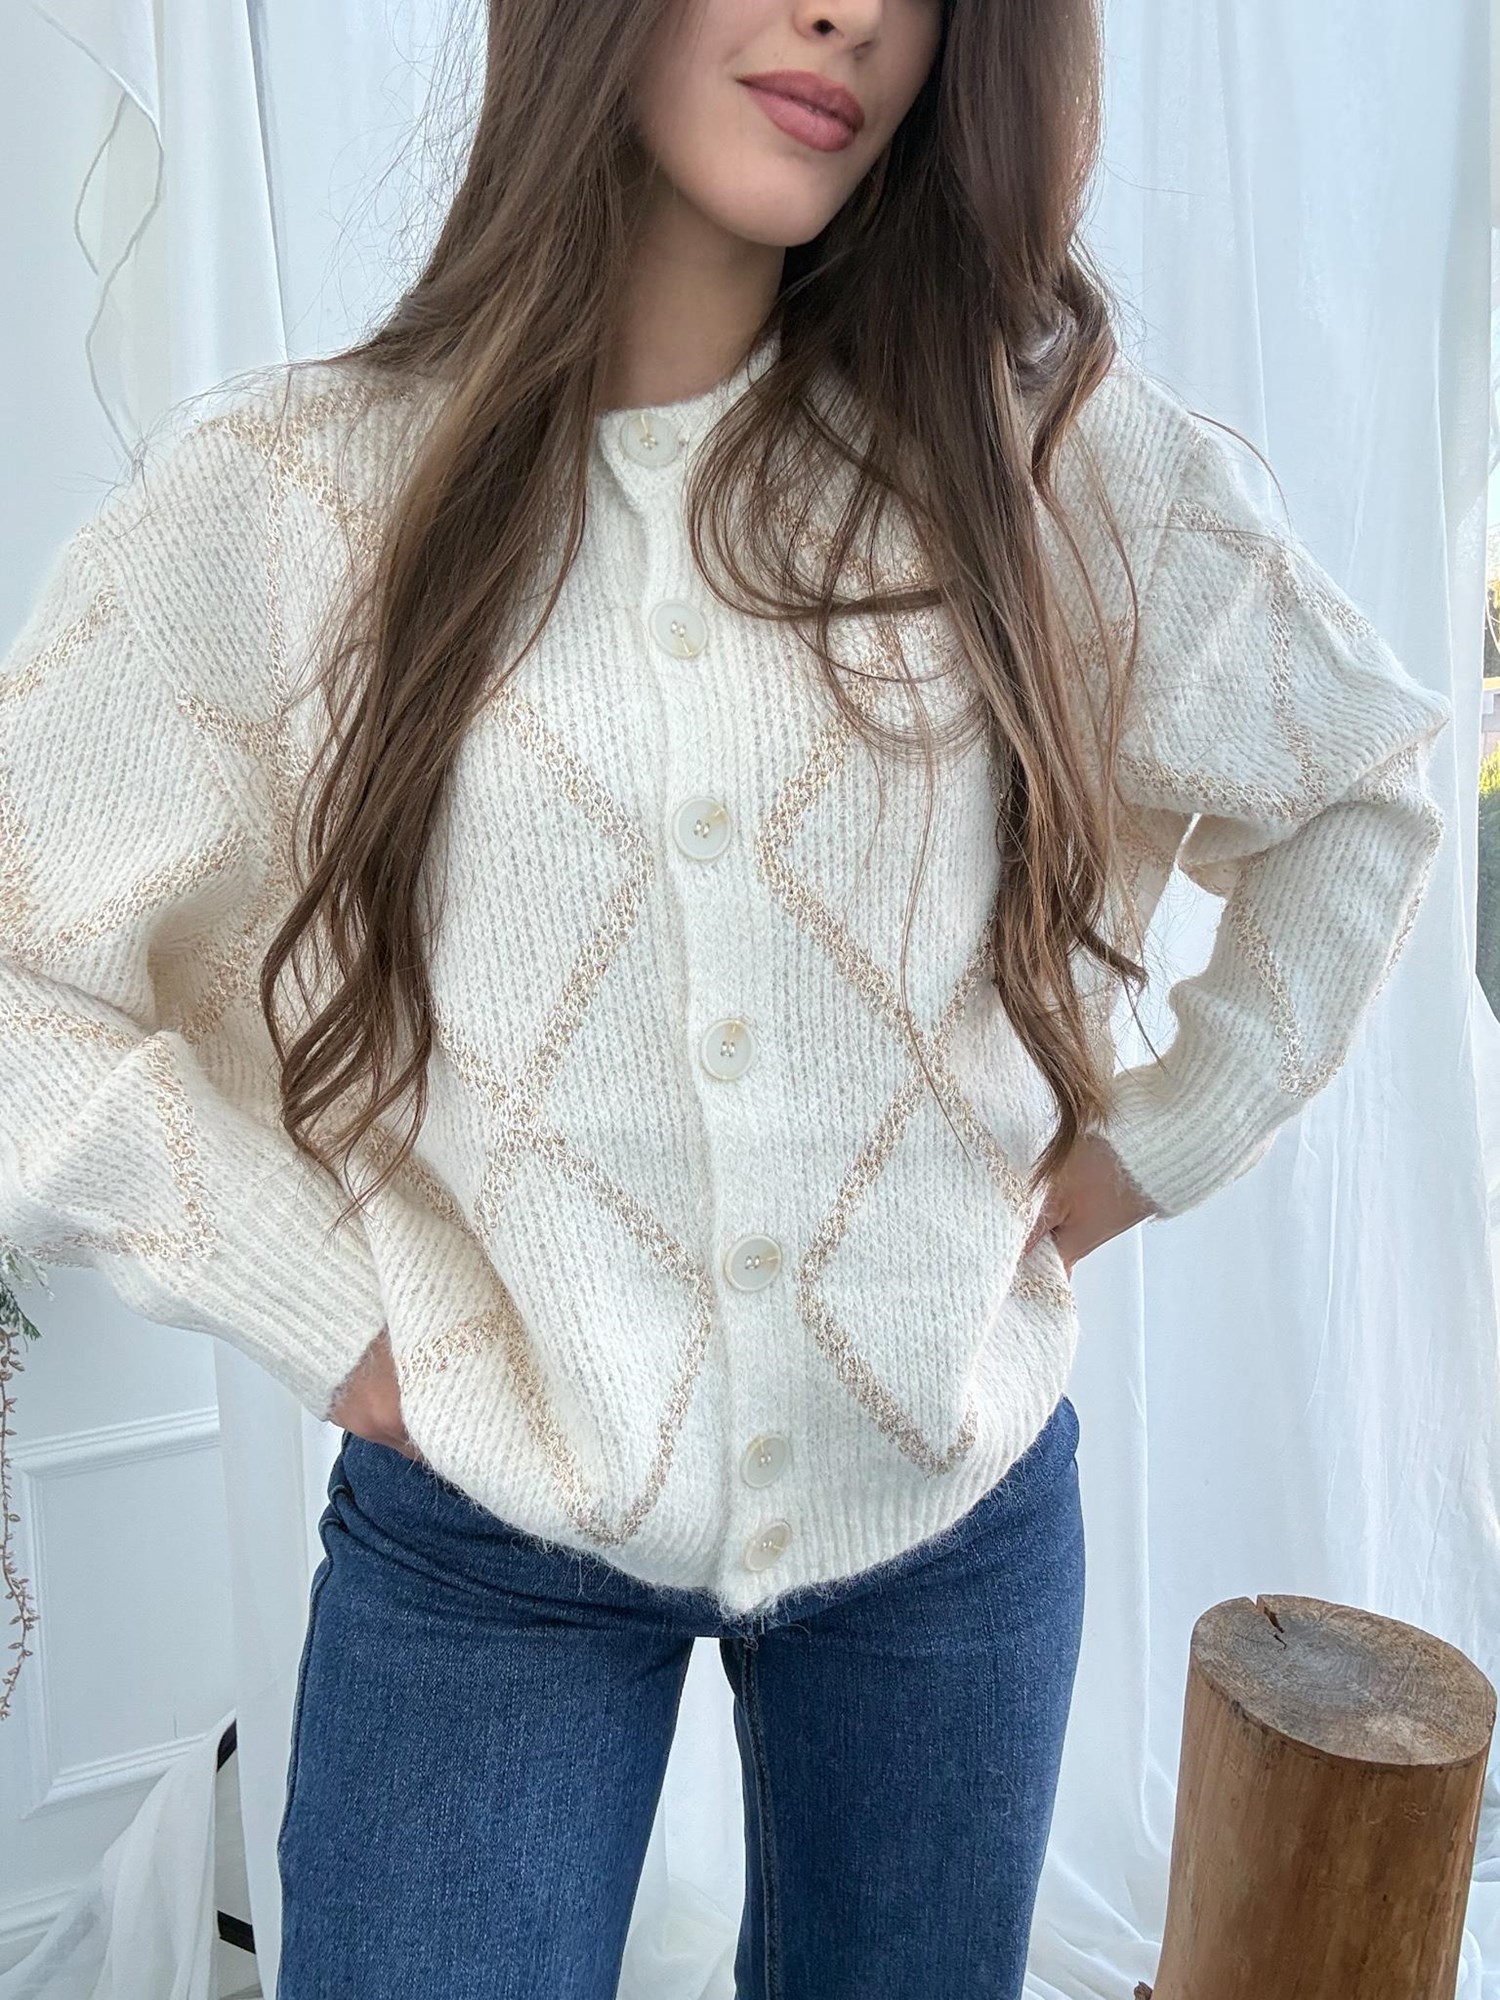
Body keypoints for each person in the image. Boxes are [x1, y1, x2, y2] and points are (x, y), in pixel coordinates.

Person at [0, 0, 1452, 1994]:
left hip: (946, 1510)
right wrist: (315, 1299)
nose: (851, 16)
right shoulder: (296, 498)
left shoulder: (1027, 450)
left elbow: (1362, 785)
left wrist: (1159, 1142)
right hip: (488, 1523)